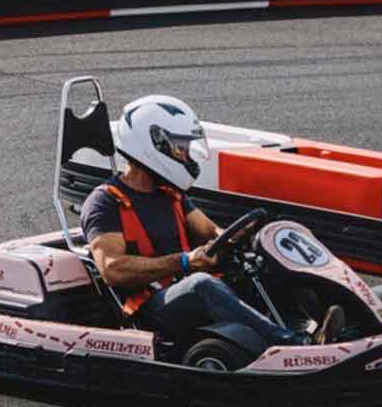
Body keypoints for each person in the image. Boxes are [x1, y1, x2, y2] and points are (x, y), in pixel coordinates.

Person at [80, 94, 344, 352]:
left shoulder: (171, 194)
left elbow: (211, 232)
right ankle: (292, 344)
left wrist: (237, 237)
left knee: (267, 264)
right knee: (202, 284)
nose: (186, 155)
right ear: (154, 145)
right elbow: (112, 269)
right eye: (180, 148)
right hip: (149, 309)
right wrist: (184, 261)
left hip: (187, 288)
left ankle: (329, 322)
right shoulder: (105, 202)